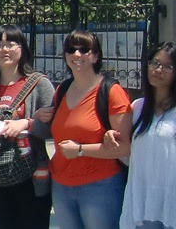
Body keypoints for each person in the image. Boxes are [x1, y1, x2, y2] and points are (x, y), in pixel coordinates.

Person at [35, 29, 133, 229]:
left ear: (95, 56)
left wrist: (80, 150)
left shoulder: (111, 92)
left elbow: (125, 148)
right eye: (71, 49)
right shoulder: (62, 89)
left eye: (84, 49)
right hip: (61, 185)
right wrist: (39, 117)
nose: (77, 55)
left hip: (99, 185)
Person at [0, 25, 57, 229]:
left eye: (11, 44)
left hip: (31, 176)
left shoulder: (39, 84)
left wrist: (27, 123)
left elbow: (53, 128)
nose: (5, 50)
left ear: (22, 48)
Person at [119, 42, 176, 229]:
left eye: (168, 66)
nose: (158, 70)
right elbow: (127, 156)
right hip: (141, 205)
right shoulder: (138, 108)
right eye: (155, 63)